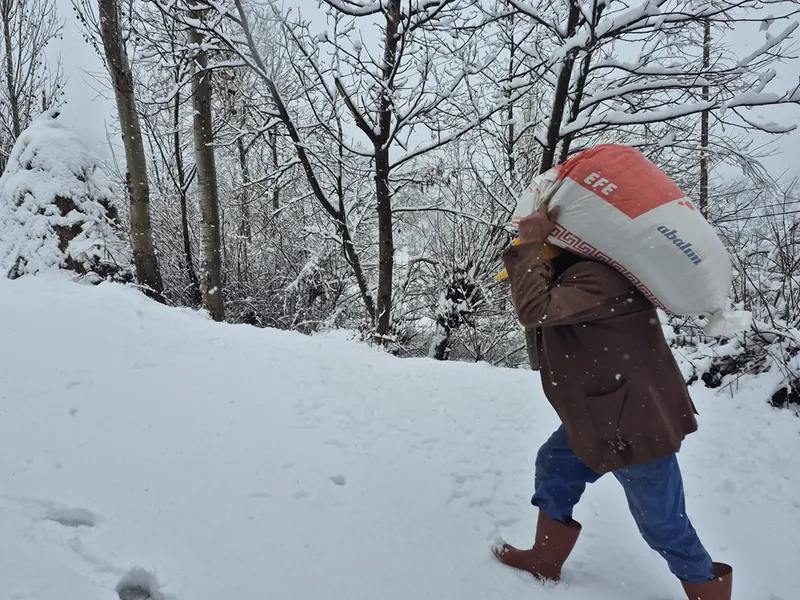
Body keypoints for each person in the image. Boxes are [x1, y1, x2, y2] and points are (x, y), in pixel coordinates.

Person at [492, 203, 733, 600]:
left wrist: (530, 244)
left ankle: (708, 592)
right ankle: (544, 560)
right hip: (597, 418)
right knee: (554, 466)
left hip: (633, 425)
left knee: (662, 523)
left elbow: (534, 310)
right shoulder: (579, 277)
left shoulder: (596, 278)